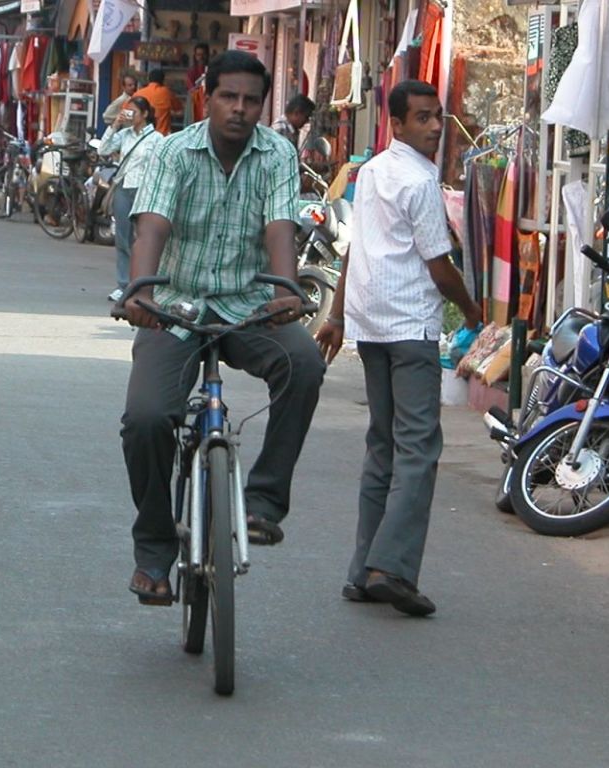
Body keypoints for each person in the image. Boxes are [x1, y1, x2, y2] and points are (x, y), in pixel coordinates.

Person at [116, 51, 323, 605]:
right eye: (229, 97)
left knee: (303, 362)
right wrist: (142, 291)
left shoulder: (277, 153)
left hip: (248, 305)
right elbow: (151, 226)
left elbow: (280, 224)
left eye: (251, 100)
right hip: (177, 309)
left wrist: (285, 289)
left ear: (263, 105)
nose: (239, 108)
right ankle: (155, 550)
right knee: (146, 418)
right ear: (207, 98)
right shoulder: (174, 152)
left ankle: (262, 502)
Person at [315, 79, 481, 618]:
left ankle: (363, 570)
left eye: (437, 116)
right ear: (398, 124)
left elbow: (355, 249)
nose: (435, 126)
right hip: (407, 326)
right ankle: (392, 568)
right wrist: (477, 313)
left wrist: (340, 315)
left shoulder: (374, 172)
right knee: (417, 449)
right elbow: (439, 267)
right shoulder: (417, 179)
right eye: (424, 118)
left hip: (371, 325)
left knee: (383, 447)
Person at [98, 95, 159, 303]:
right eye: (128, 110)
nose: (130, 114)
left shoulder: (157, 139)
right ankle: (123, 284)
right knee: (123, 238)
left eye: (134, 111)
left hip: (145, 191)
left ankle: (142, 283)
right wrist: (115, 124)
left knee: (144, 239)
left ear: (145, 114)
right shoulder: (124, 135)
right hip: (124, 188)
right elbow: (103, 149)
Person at [133, 70, 177, 136]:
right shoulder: (167, 93)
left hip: (142, 134)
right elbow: (179, 109)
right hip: (161, 135)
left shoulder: (138, 94)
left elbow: (126, 111)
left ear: (148, 79)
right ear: (163, 80)